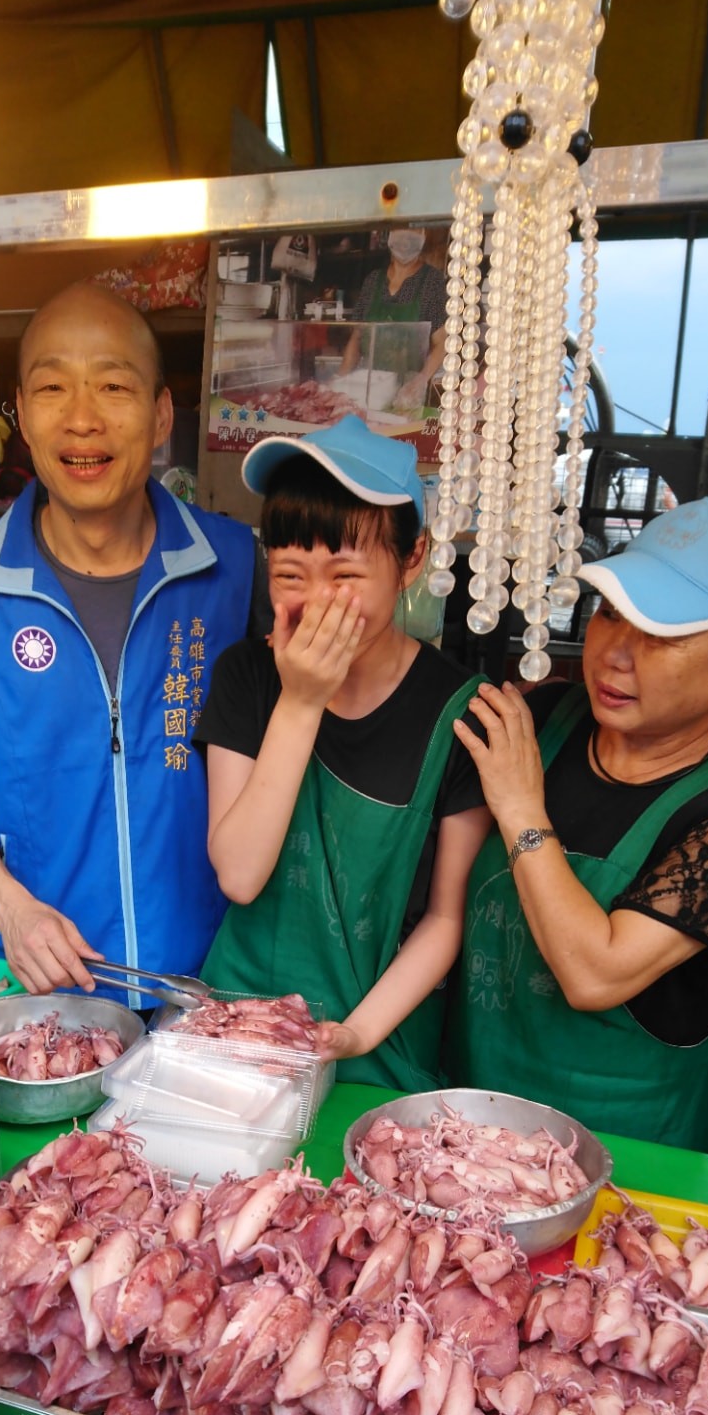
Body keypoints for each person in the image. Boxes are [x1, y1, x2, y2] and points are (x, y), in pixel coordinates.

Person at [0, 282, 269, 996]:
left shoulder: (235, 565)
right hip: (46, 1000)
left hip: (214, 993)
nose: (81, 419)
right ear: (22, 415)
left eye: (112, 386)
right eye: (52, 389)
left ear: (162, 413)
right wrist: (11, 911)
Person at [449, 496, 708, 1152]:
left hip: (624, 1155)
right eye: (611, 613)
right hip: (469, 1120)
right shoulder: (544, 715)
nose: (615, 654)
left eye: (662, 634)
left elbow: (596, 974)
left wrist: (522, 807)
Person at [196, 415, 490, 1088]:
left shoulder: (461, 713)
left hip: (377, 1044)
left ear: (411, 560)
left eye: (346, 573)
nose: (317, 601)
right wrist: (300, 700)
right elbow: (239, 874)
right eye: (291, 573)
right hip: (241, 1027)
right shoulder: (247, 675)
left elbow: (447, 919)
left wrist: (356, 1032)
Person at [340, 226, 448, 406]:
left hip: (408, 394)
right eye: (400, 231)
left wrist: (420, 382)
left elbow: (443, 343)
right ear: (389, 235)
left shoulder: (432, 282)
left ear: (423, 235)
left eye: (412, 232)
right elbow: (356, 338)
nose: (405, 240)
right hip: (370, 390)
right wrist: (341, 381)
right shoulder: (373, 281)